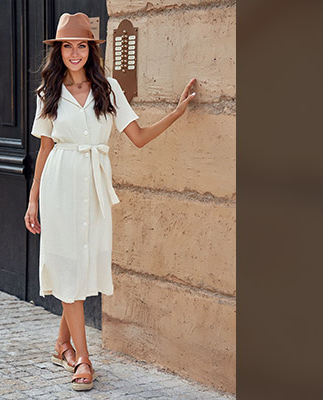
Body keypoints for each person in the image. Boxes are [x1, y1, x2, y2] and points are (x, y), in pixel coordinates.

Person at [24, 12, 196, 391]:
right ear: (58, 51)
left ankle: (61, 344)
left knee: (82, 266)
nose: (74, 53)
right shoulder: (48, 93)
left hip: (94, 186)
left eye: (81, 45)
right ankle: (83, 361)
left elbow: (138, 136)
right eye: (67, 46)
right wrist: (33, 200)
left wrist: (177, 112)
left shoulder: (110, 90)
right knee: (69, 266)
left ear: (90, 49)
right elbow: (45, 149)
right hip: (59, 185)